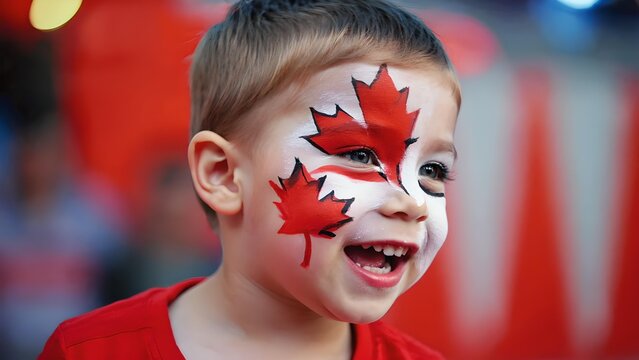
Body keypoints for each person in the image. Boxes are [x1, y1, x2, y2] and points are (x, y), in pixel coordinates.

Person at [39, 0, 461, 358]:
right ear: (222, 175)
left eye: (432, 171)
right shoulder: (87, 350)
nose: (414, 202)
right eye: (360, 154)